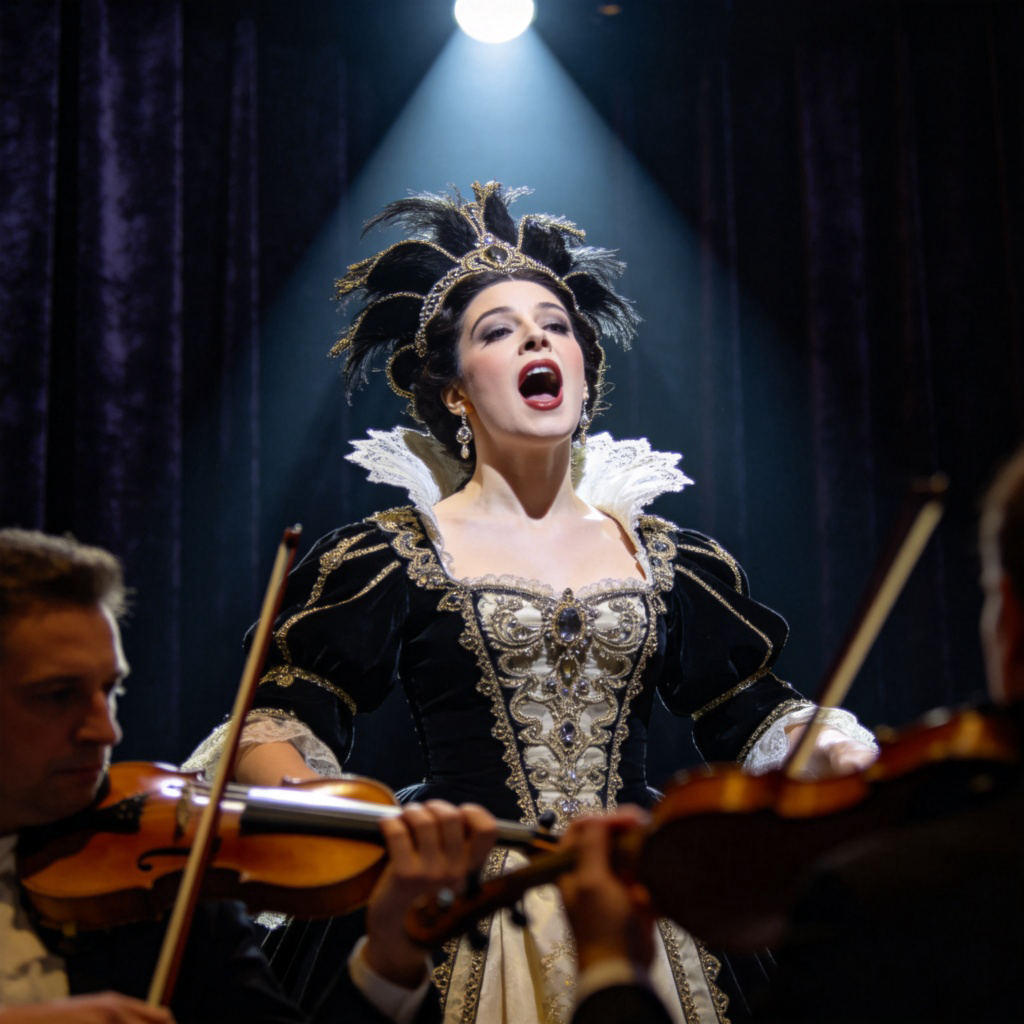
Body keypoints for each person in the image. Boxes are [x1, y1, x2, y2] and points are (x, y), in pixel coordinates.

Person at [184, 181, 877, 1024]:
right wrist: (307, 806)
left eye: (553, 328)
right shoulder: (394, 552)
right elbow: (285, 713)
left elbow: (753, 709)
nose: (535, 341)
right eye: (498, 332)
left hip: (632, 894)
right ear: (453, 393)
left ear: (583, 372)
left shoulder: (666, 557)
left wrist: (828, 756)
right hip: (462, 898)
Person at [0, 527, 497, 1024]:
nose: (105, 730)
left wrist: (389, 960)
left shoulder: (156, 881)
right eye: (58, 696)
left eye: (111, 691)